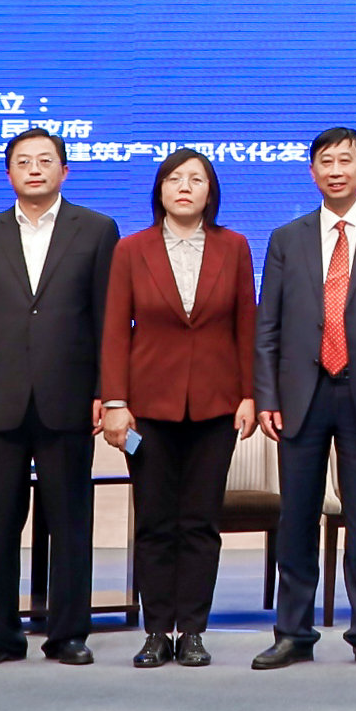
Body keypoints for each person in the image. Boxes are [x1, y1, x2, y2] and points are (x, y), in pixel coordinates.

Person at [252, 127, 356, 670]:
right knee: (296, 519)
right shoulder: (287, 237)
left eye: (345, 161)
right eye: (325, 162)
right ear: (312, 172)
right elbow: (267, 325)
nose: (335, 170)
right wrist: (266, 395)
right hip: (299, 395)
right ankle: (292, 633)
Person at [0, 128, 121, 667]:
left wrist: (105, 391)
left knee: (70, 520)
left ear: (64, 171)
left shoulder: (96, 230)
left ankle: (68, 634)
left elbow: (108, 320)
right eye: (23, 162)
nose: (34, 170)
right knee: (0, 524)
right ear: (8, 174)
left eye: (45, 161)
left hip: (69, 396)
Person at [100, 148, 258, 669]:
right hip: (148, 407)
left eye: (196, 179)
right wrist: (116, 402)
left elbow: (245, 324)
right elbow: (115, 331)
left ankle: (191, 630)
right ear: (160, 191)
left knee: (200, 522)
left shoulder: (234, 247)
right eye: (174, 179)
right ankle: (155, 632)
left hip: (216, 406)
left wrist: (249, 395)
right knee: (154, 522)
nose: (185, 187)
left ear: (211, 193)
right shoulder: (131, 249)